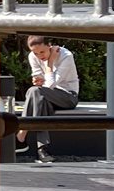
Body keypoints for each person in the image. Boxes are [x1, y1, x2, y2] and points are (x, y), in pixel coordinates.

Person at [16, 33, 79, 164]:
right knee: (37, 95)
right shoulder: (32, 56)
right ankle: (42, 150)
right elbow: (40, 80)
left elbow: (50, 84)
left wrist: (49, 63)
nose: (39, 56)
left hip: (68, 96)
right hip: (46, 96)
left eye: (42, 52)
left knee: (35, 92)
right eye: (35, 53)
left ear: (50, 46)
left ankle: (21, 135)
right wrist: (37, 80)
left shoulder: (66, 56)